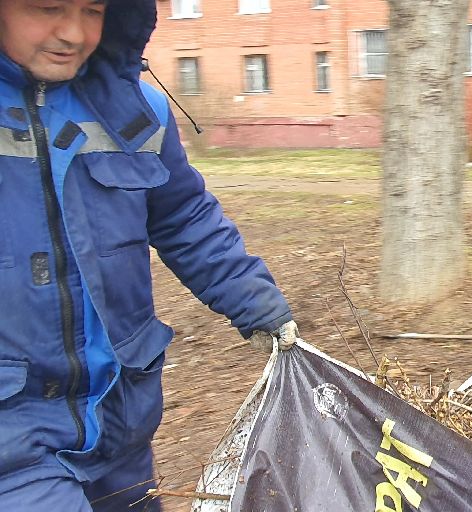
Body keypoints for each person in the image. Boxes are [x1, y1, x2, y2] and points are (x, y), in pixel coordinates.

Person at [0, 1, 297, 510]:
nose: (73, 32)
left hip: (121, 418)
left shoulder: (137, 112)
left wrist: (258, 305)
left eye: (93, 10)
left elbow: (185, 217)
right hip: (13, 437)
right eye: (48, 7)